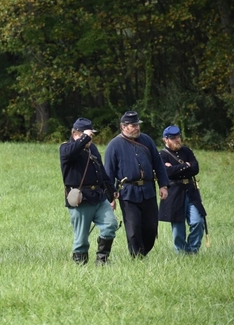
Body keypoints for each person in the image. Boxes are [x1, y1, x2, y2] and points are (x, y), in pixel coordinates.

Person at [104, 111, 169, 258]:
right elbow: (108, 173)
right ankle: (137, 257)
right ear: (123, 127)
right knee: (133, 229)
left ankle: (143, 253)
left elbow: (158, 164)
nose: (137, 128)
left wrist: (163, 185)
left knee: (151, 227)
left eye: (137, 125)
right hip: (128, 192)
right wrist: (110, 197)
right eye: (133, 126)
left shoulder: (147, 140)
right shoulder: (114, 145)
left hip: (148, 190)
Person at [59, 118, 119, 265]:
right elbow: (71, 152)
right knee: (81, 237)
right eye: (87, 135)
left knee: (110, 224)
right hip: (81, 198)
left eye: (91, 136)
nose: (90, 139)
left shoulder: (92, 149)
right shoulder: (66, 148)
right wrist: (84, 138)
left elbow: (101, 172)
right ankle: (81, 265)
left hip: (98, 196)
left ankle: (102, 260)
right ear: (75, 134)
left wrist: (111, 192)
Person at [158, 125, 206, 253]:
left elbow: (195, 168)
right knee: (178, 226)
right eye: (173, 138)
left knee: (198, 222)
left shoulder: (187, 151)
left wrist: (176, 168)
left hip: (190, 191)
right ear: (165, 140)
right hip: (174, 192)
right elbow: (167, 172)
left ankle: (193, 250)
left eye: (178, 137)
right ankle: (181, 252)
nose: (177, 140)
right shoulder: (162, 155)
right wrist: (186, 165)